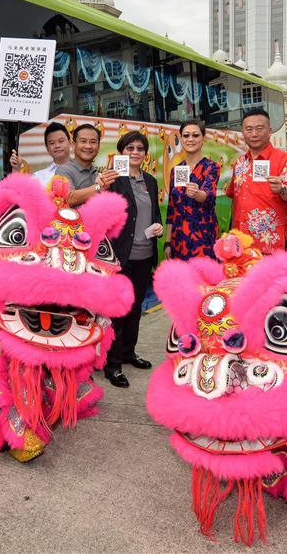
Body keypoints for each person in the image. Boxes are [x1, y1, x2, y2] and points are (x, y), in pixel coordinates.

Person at [106, 131, 164, 388]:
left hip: (145, 254)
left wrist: (159, 227)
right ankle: (113, 364)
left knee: (136, 307)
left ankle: (129, 352)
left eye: (140, 148)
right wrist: (106, 183)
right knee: (118, 310)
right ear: (121, 152)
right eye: (130, 148)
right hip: (121, 255)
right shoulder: (114, 180)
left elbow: (155, 212)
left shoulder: (150, 181)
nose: (135, 152)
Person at [226, 108, 287, 253]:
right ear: (243, 132)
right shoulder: (239, 163)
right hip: (242, 244)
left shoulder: (284, 159)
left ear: (270, 131)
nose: (254, 134)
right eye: (249, 129)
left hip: (271, 244)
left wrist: (281, 188)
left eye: (259, 129)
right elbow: (236, 201)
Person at [165, 120, 220, 260]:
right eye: (186, 135)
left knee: (203, 279)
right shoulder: (176, 170)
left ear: (203, 139)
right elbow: (171, 208)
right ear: (182, 139)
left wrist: (196, 193)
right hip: (178, 238)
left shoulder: (211, 167)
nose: (190, 139)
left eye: (195, 135)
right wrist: (167, 242)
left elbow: (207, 196)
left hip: (202, 237)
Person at [55, 123, 119, 206]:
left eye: (93, 142)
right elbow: (68, 198)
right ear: (74, 145)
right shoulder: (63, 170)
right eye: (83, 141)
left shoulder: (98, 174)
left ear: (98, 147)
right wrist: (99, 187)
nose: (88, 146)